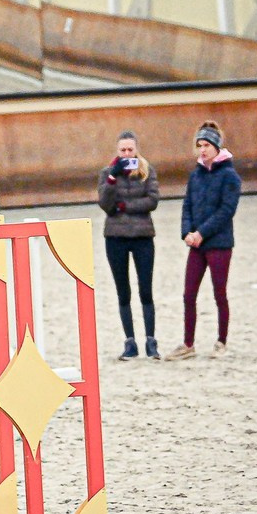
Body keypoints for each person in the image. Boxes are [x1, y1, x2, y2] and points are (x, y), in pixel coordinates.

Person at [166, 121, 242, 361]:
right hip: (196, 245)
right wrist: (186, 232)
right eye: (199, 145)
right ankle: (188, 343)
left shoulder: (229, 176)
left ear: (216, 146)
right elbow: (187, 205)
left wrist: (202, 233)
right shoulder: (196, 175)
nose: (202, 150)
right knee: (189, 294)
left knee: (219, 293)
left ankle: (221, 341)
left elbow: (226, 210)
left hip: (219, 243)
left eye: (207, 145)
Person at [97, 131, 161, 360]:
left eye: (130, 150)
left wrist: (124, 207)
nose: (126, 154)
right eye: (122, 150)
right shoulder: (107, 173)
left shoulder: (146, 171)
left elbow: (152, 200)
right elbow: (105, 204)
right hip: (116, 237)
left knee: (146, 290)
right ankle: (130, 341)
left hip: (143, 236)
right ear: (117, 151)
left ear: (136, 150)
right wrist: (112, 180)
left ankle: (151, 341)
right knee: (123, 291)